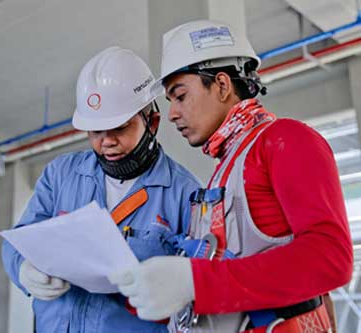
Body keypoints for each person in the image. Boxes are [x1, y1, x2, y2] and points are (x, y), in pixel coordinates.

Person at [109, 20, 353, 333]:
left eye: (180, 96)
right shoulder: (225, 172)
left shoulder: (285, 140)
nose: (172, 114)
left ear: (222, 85)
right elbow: (222, 275)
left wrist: (195, 282)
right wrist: (153, 289)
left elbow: (330, 259)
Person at [2, 46, 202, 333]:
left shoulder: (185, 194)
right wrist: (23, 269)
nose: (106, 142)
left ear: (152, 123)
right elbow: (19, 239)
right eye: (95, 131)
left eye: (119, 128)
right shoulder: (61, 175)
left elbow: (195, 290)